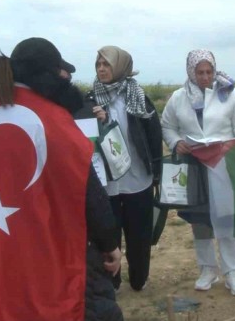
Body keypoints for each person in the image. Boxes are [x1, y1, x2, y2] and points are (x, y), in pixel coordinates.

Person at [0, 37, 123, 320]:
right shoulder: (52, 120)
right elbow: (86, 188)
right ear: (49, 74)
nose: (67, 77)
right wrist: (110, 242)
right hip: (52, 251)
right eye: (62, 71)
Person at [161, 49, 235, 296]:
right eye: (200, 72)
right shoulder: (178, 98)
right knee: (200, 220)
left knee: (227, 218)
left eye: (209, 71)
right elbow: (168, 126)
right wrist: (175, 142)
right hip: (195, 167)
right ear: (191, 72)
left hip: (225, 165)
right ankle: (207, 269)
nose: (205, 77)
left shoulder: (229, 93)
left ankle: (232, 271)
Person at [82, 45, 162, 292]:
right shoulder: (89, 101)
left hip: (138, 179)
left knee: (139, 235)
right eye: (99, 65)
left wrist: (157, 172)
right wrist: (94, 121)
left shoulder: (138, 96)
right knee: (108, 235)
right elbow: (82, 140)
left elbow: (153, 135)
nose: (102, 69)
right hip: (107, 184)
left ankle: (140, 279)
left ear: (120, 66)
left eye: (107, 64)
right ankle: (112, 282)